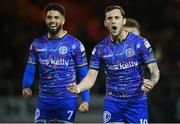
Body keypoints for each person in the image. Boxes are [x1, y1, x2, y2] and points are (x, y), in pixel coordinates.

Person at [68, 5, 160, 123]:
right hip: (113, 103)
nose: (113, 21)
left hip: (136, 102)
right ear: (106, 23)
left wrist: (151, 82)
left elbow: (155, 70)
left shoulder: (140, 43)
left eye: (116, 17)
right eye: (110, 18)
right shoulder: (100, 49)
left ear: (123, 21)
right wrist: (78, 87)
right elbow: (91, 77)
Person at [22, 2, 90, 123]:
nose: (52, 20)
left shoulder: (75, 45)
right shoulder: (37, 44)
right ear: (45, 20)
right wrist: (26, 86)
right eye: (49, 17)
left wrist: (85, 100)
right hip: (44, 101)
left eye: (56, 17)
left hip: (67, 100)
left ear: (63, 20)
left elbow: (83, 74)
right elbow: (30, 68)